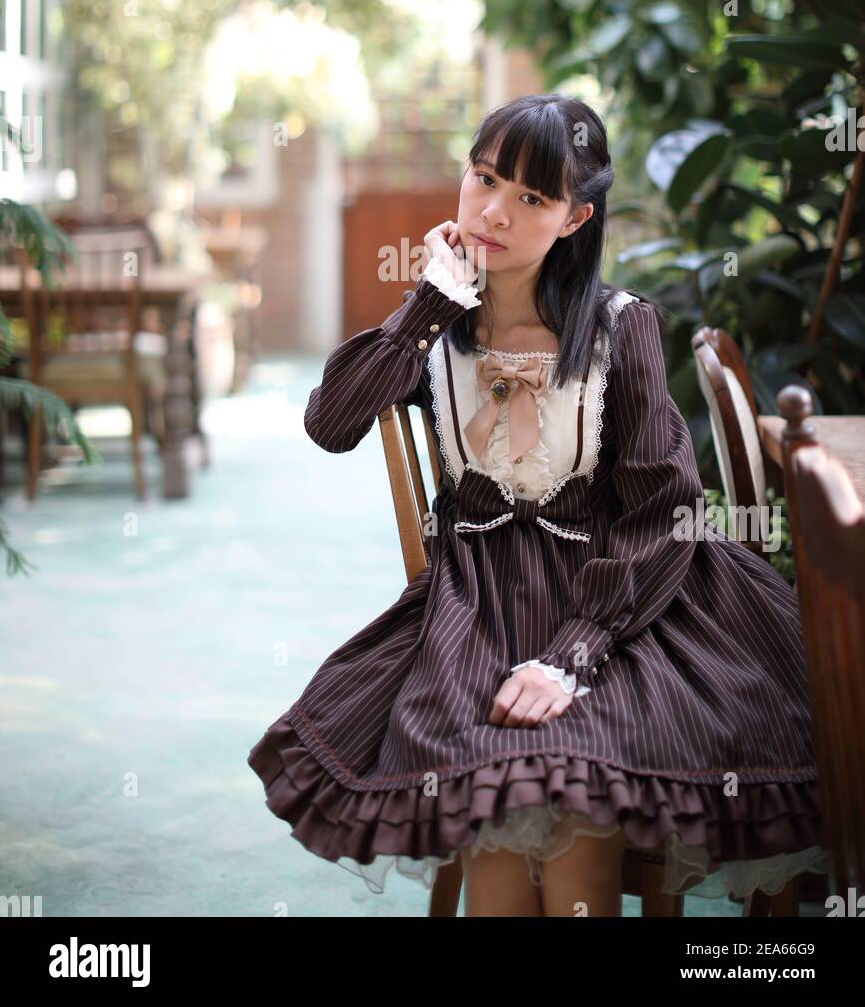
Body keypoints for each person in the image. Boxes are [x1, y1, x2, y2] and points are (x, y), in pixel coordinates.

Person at [248, 93, 828, 917]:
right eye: (484, 178)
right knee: (501, 800)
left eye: (531, 197)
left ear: (574, 217)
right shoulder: (436, 332)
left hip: (621, 600)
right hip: (477, 605)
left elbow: (664, 506)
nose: (493, 211)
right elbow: (330, 423)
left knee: (575, 791)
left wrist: (574, 652)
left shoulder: (620, 328)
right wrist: (429, 305)